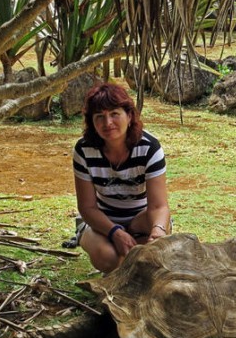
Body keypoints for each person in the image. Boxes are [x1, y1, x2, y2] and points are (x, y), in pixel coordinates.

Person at [72, 82, 171, 273]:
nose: (107, 123)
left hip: (141, 218)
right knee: (109, 259)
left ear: (130, 115)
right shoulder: (84, 150)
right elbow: (87, 207)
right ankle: (89, 240)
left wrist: (158, 230)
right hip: (102, 219)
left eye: (114, 114)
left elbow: (159, 206)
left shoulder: (149, 148)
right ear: (92, 122)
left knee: (149, 255)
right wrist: (114, 232)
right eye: (99, 117)